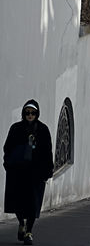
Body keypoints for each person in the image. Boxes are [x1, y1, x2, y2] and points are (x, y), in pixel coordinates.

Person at [3, 99, 54, 245]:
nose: (30, 115)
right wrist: (8, 164)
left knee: (33, 202)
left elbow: (48, 151)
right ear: (23, 113)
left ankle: (29, 231)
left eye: (33, 113)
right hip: (18, 172)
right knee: (18, 202)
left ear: (37, 113)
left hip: (36, 173)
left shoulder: (43, 129)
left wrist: (48, 170)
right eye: (27, 112)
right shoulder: (16, 128)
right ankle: (21, 223)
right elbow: (8, 148)